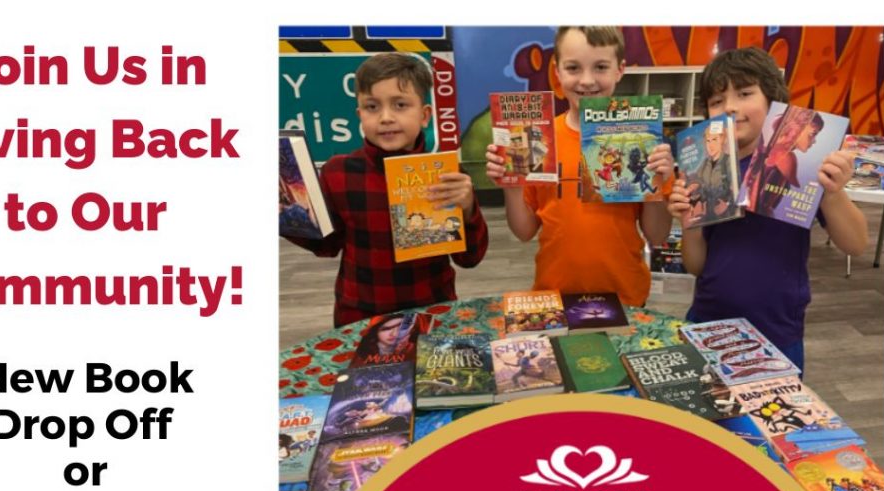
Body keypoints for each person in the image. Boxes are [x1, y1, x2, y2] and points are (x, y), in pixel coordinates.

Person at [668, 47, 868, 372]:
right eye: (717, 101)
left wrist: (832, 194)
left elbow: (856, 244)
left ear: (774, 101)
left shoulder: (803, 165)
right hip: (708, 322)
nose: (730, 107)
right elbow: (695, 266)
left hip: (777, 332)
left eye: (744, 93)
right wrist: (689, 221)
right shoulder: (704, 170)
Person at [284, 52, 488, 327]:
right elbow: (327, 245)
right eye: (372, 107)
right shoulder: (338, 172)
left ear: (425, 116)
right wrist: (288, 214)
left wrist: (468, 209)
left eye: (400, 105)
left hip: (431, 313)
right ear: (359, 115)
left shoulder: (447, 176)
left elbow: (470, 258)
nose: (386, 117)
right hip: (360, 317)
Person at [485, 26, 674, 306]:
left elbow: (657, 235)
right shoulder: (539, 139)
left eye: (601, 67)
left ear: (620, 70)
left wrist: (659, 183)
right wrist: (511, 187)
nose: (587, 81)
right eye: (573, 68)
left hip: (625, 296)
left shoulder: (641, 140)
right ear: (557, 72)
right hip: (554, 296)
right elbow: (524, 232)